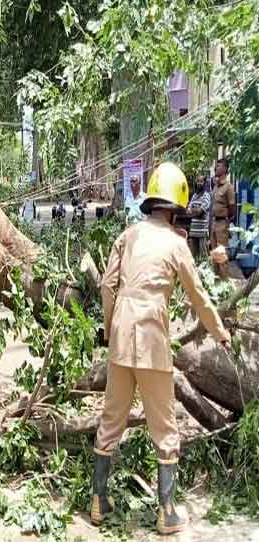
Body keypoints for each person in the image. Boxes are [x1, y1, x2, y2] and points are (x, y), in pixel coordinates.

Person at [91, 162, 230, 535]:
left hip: (121, 335)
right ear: (177, 206)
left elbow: (107, 286)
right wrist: (220, 332)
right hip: (152, 338)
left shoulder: (129, 235)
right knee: (164, 426)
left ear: (152, 200)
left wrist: (109, 330)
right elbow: (198, 295)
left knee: (111, 419)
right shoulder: (176, 243)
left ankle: (98, 502)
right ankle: (167, 511)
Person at [210, 158, 236, 276]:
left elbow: (232, 207)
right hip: (214, 223)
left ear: (225, 169)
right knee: (214, 254)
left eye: (219, 166)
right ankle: (215, 280)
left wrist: (227, 219)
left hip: (222, 223)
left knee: (222, 254)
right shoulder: (215, 186)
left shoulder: (228, 187)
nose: (216, 168)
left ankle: (224, 282)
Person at [187, 173, 211, 258]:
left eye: (201, 181)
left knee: (204, 257)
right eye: (198, 181)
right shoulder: (194, 195)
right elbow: (188, 211)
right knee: (193, 256)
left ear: (204, 183)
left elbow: (200, 211)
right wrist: (196, 210)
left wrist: (194, 210)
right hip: (193, 231)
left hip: (202, 231)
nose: (199, 183)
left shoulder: (207, 196)